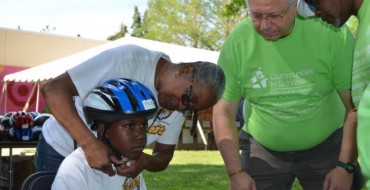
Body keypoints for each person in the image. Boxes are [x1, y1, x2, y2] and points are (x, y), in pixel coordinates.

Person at [211, 0, 360, 189]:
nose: (265, 25)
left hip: (328, 146)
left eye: (274, 16)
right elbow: (223, 111)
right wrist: (235, 173)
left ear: (295, 8)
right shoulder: (238, 42)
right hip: (262, 148)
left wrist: (345, 166)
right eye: (256, 16)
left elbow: (355, 106)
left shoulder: (331, 31)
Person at [36, 44, 225, 179]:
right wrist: (90, 144)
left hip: (108, 167)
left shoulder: (177, 106)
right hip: (60, 152)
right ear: (185, 70)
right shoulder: (130, 60)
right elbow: (53, 89)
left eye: (191, 109)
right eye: (188, 99)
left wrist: (145, 161)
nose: (183, 108)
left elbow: (164, 155)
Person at [301, 0, 370, 188]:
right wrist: (344, 165)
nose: (316, 12)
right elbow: (359, 111)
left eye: (313, 3)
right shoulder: (363, 25)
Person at [52, 78, 158, 190]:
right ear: (103, 130)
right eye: (130, 126)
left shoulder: (131, 164)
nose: (140, 135)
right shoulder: (75, 170)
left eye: (143, 126)